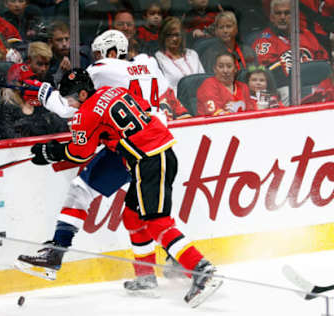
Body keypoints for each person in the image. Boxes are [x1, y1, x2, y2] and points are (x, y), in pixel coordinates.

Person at [19, 68, 223, 308]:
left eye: (72, 98)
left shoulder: (86, 113)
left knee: (157, 221)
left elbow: (79, 153)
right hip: (156, 153)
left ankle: (202, 271)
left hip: (149, 160)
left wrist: (51, 152)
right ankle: (146, 276)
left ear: (83, 94)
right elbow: (142, 112)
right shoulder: (112, 91)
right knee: (133, 216)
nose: (70, 104)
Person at [18, 30, 190, 296]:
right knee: (139, 213)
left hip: (129, 147)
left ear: (111, 53)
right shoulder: (151, 64)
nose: (95, 60)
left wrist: (43, 93)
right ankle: (163, 265)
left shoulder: (103, 69)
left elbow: (72, 106)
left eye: (98, 54)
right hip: (156, 140)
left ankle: (56, 253)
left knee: (82, 190)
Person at [251, 0, 329, 105]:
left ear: (294, 15)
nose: (283, 17)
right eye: (278, 13)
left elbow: (324, 64)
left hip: (314, 86)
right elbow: (268, 74)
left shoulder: (306, 35)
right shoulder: (264, 41)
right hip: (284, 89)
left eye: (287, 13)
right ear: (272, 17)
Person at [155, 16, 205, 97]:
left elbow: (204, 81)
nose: (174, 38)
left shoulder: (192, 54)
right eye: (169, 35)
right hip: (177, 103)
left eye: (177, 35)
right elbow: (162, 89)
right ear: (163, 36)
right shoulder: (158, 58)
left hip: (199, 99)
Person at [46, 20, 90, 85]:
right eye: (59, 40)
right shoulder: (46, 60)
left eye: (67, 39)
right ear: (50, 42)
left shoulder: (81, 58)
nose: (64, 44)